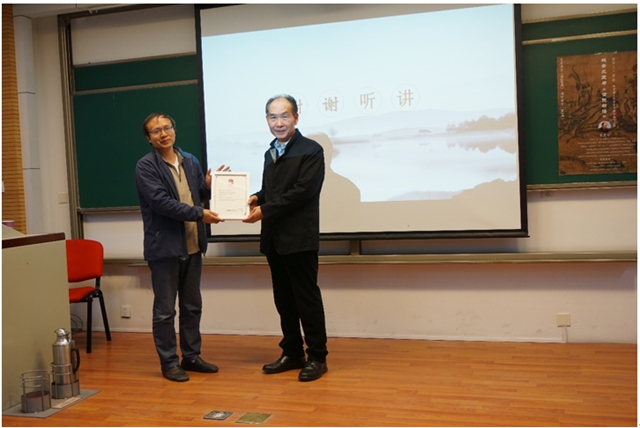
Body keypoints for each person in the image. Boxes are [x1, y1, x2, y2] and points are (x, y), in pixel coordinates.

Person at [135, 112, 228, 382]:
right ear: (148, 138)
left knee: (192, 306)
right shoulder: (146, 166)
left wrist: (208, 188)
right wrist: (201, 214)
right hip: (164, 248)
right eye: (156, 131)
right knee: (165, 311)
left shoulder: (190, 160)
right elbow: (161, 203)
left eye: (167, 128)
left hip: (193, 245)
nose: (163, 134)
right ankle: (169, 363)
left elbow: (196, 195)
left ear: (174, 130)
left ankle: (191, 356)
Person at [243, 94, 329, 381]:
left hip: (299, 239)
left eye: (284, 116)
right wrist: (257, 197)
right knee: (284, 300)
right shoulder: (270, 152)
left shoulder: (311, 150)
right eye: (273, 117)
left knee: (307, 300)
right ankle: (292, 352)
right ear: (267, 120)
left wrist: (265, 209)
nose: (278, 122)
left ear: (296, 118)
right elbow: (273, 191)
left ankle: (317, 357)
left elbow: (302, 192)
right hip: (274, 239)